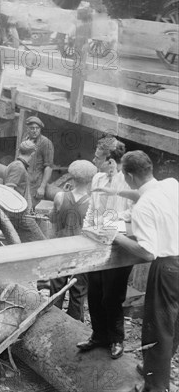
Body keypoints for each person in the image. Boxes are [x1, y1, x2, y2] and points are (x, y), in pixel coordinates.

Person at [110, 151, 178, 392]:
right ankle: (155, 366)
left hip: (169, 266)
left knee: (158, 327)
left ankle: (155, 386)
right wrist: (116, 192)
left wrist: (115, 236)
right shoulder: (171, 184)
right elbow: (145, 191)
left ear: (128, 175)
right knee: (174, 323)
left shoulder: (143, 207)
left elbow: (147, 252)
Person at [77, 137, 134, 359]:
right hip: (98, 240)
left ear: (110, 161)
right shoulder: (98, 178)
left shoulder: (128, 181)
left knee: (113, 295)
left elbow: (134, 211)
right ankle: (99, 335)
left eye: (98, 157)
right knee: (95, 291)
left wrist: (111, 221)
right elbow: (92, 206)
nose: (93, 160)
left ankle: (116, 338)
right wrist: (88, 226)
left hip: (120, 244)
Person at [49, 160, 97, 322]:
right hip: (82, 252)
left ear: (72, 177)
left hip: (61, 248)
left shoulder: (60, 196)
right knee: (78, 291)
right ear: (90, 180)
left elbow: (52, 219)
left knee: (57, 288)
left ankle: (52, 321)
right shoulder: (93, 203)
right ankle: (76, 324)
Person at [3, 139, 48, 244]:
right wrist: (20, 212)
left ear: (19, 150)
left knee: (23, 243)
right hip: (21, 216)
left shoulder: (16, 165)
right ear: (32, 154)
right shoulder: (18, 167)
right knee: (42, 243)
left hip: (20, 215)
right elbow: (9, 190)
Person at [23, 116, 54, 209]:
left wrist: (42, 187)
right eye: (32, 128)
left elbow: (49, 167)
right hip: (24, 181)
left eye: (37, 128)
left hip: (35, 183)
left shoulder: (46, 143)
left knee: (32, 209)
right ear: (27, 129)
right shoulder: (25, 139)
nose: (35, 131)